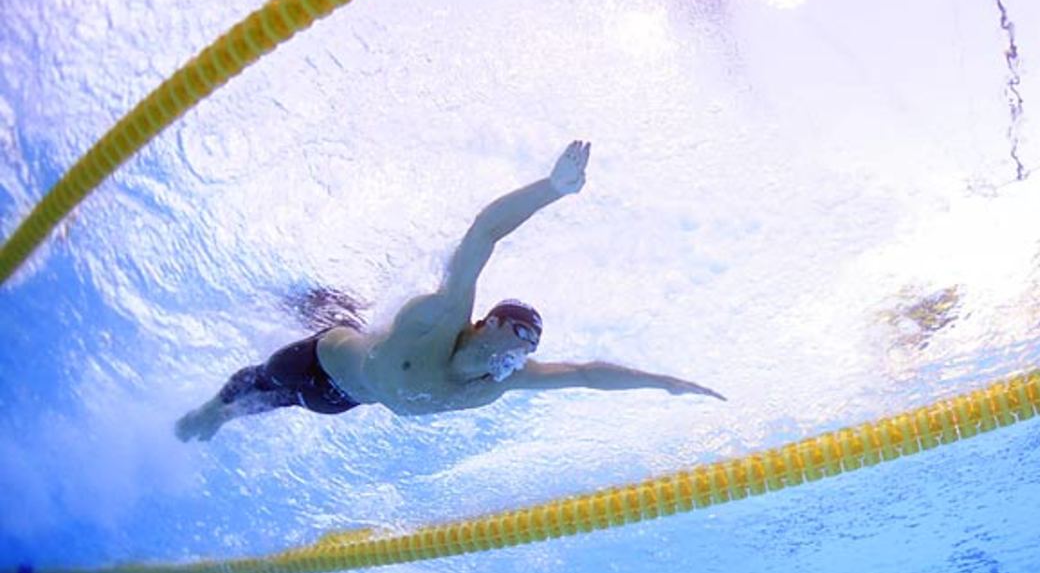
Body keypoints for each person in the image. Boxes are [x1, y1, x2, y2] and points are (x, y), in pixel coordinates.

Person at [176, 140, 723, 442]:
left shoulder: (504, 383)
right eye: (520, 332)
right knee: (255, 391)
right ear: (486, 323)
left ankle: (230, 409)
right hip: (319, 359)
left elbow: (585, 374)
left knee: (281, 406)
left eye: (531, 342)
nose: (526, 347)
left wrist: (666, 383)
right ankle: (214, 405)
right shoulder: (444, 318)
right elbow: (483, 233)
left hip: (345, 399)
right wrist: (552, 189)